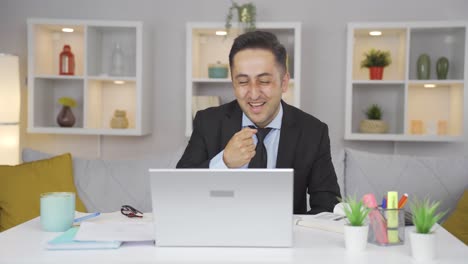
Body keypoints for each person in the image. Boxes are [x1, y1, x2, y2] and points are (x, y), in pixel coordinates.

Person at [177, 31, 341, 214]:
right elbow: (178, 190)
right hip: (220, 236)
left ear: (284, 82)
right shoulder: (207, 122)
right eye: (243, 82)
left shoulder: (313, 132)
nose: (254, 94)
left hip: (284, 238)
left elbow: (327, 206)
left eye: (264, 81)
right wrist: (223, 162)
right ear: (233, 83)